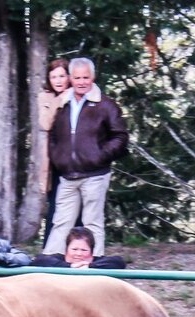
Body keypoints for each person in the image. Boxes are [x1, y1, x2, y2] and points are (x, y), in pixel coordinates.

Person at [43, 57, 129, 258]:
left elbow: (120, 136)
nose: (81, 82)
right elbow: (53, 134)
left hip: (95, 174)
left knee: (92, 222)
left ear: (93, 77)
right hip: (67, 175)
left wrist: (99, 156)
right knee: (61, 222)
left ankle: (94, 264)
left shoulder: (105, 105)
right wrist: (58, 157)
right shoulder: (62, 103)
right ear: (70, 78)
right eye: (77, 77)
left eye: (85, 77)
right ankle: (51, 264)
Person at [38, 58, 70, 244]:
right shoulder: (46, 97)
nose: (58, 81)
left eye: (62, 76)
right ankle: (49, 250)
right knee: (55, 207)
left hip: (78, 161)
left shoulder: (79, 95)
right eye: (53, 77)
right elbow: (45, 123)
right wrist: (60, 100)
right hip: (55, 162)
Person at [31, 227, 126, 269]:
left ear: (92, 252)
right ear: (67, 249)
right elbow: (39, 260)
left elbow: (119, 261)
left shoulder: (98, 262)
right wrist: (69, 266)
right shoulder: (58, 259)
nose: (78, 254)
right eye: (74, 249)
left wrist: (89, 266)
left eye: (84, 250)